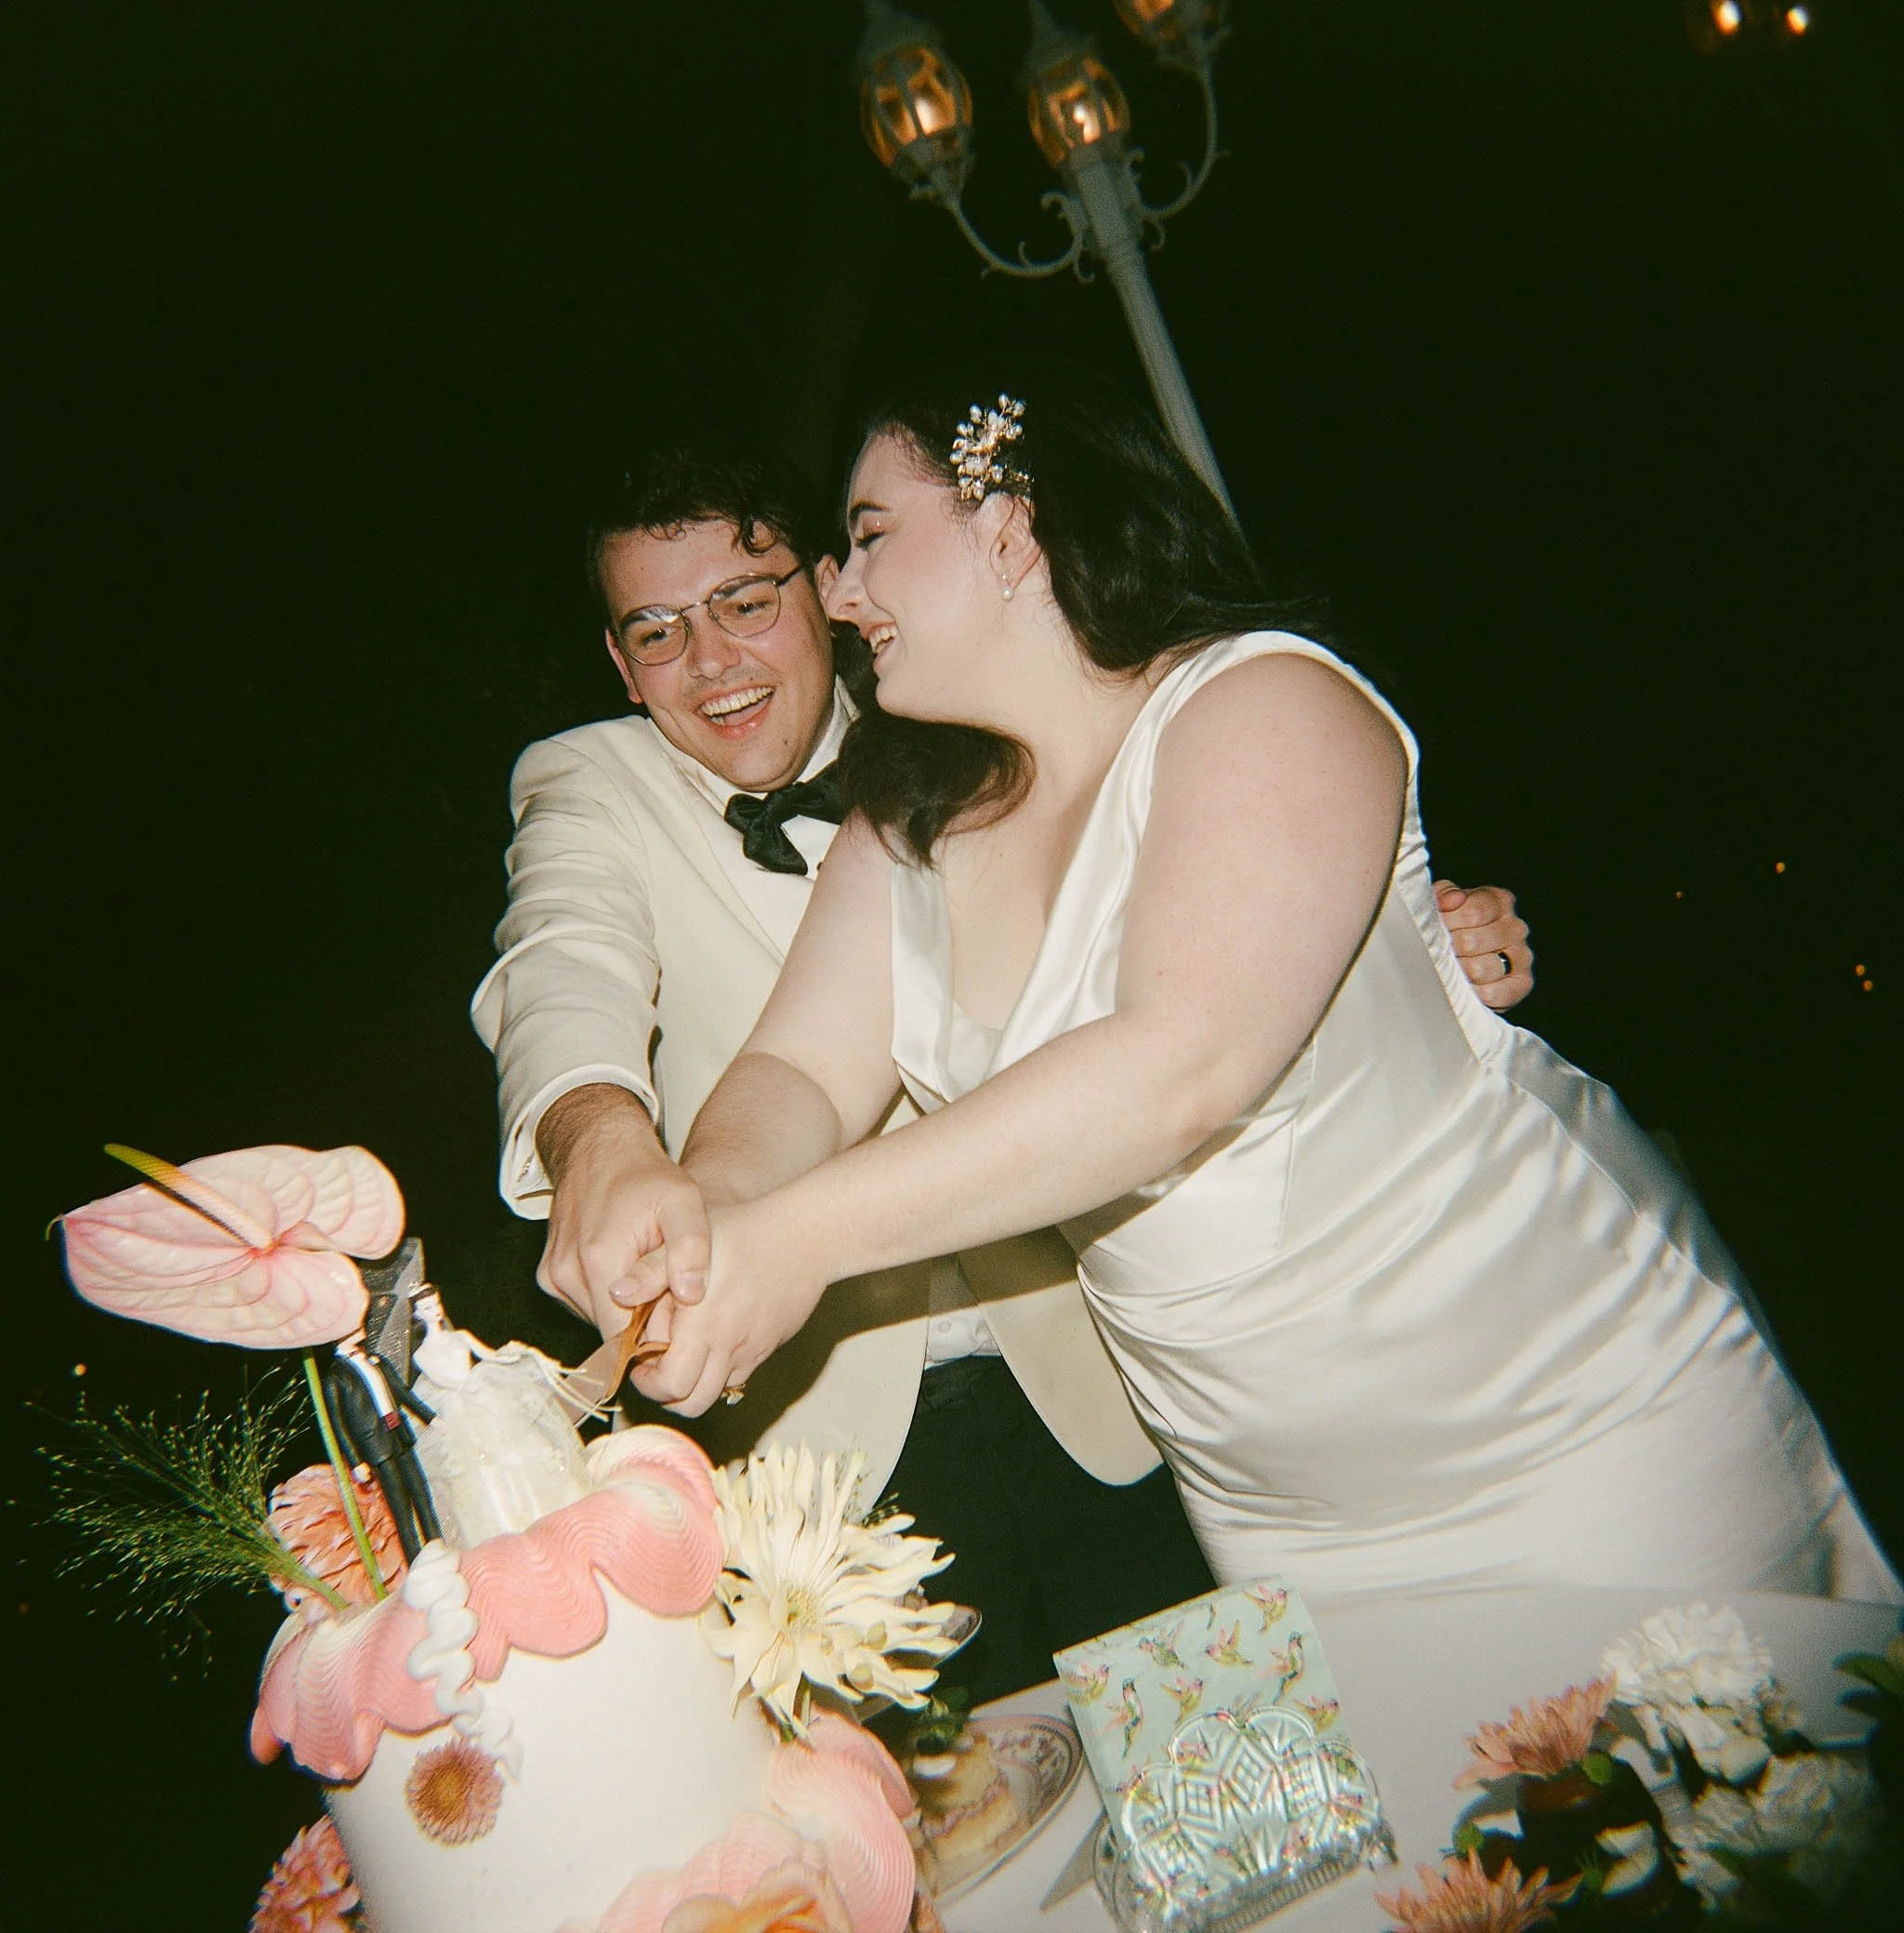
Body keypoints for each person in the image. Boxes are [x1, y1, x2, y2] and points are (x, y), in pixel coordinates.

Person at [629, 375, 1899, 1611]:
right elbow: (792, 1070)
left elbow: (1181, 1065)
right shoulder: (904, 824)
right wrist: (713, 1209)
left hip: (1569, 1423)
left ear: (1012, 527)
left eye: (867, 540)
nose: (842, 593)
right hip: (1276, 1513)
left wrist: (798, 1240)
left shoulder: (1266, 701)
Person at [470, 448, 1539, 1692]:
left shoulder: (981, 729)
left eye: (747, 601)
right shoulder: (587, 787)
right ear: (618, 661)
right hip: (836, 1470)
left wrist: (1378, 944)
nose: (712, 661)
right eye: (657, 630)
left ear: (824, 588)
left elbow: (1203, 945)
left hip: (1112, 1388)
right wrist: (605, 1144)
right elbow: (562, 969)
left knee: (1240, 1759)